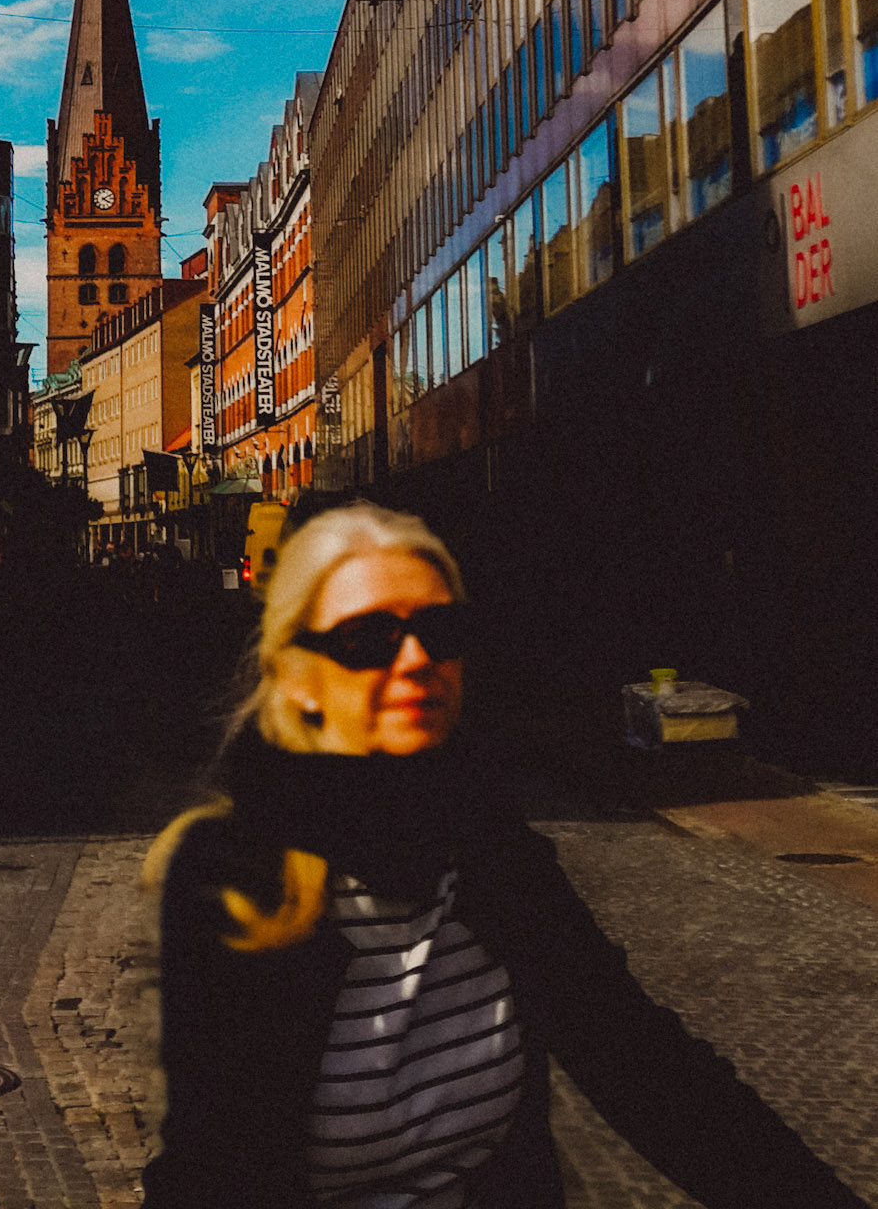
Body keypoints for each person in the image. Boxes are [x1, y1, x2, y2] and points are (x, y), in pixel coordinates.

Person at [143, 503, 868, 1209]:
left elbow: (643, 1064)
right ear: (298, 677)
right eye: (368, 638)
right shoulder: (235, 878)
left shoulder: (484, 842)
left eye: (441, 631)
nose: (417, 660)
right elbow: (211, 1174)